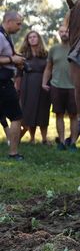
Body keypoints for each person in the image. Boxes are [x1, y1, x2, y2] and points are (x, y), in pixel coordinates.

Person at [42, 25, 79, 151]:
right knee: (59, 114)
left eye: (66, 31)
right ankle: (62, 142)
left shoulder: (77, 48)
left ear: (71, 32)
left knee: (74, 115)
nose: (64, 34)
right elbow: (48, 68)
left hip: (74, 86)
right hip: (56, 86)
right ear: (59, 33)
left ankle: (73, 143)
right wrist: (44, 83)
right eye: (61, 32)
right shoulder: (53, 49)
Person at [17, 30, 51, 144]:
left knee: (43, 111)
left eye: (34, 37)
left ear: (39, 39)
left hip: (43, 84)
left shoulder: (46, 54)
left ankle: (44, 139)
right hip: (27, 85)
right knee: (30, 111)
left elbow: (50, 70)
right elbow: (19, 73)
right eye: (29, 37)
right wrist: (18, 88)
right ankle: (32, 138)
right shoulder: (23, 54)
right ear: (27, 40)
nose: (32, 39)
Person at [0, 11, 26, 160]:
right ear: (9, 21)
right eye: (18, 23)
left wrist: (16, 59)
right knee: (16, 116)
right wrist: (12, 59)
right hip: (2, 83)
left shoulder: (5, 35)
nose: (20, 27)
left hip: (4, 81)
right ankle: (13, 153)